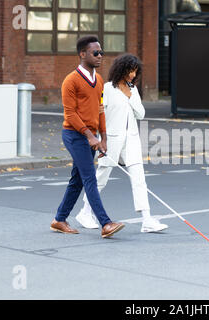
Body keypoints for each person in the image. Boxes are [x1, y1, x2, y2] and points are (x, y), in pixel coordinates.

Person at [75, 53, 168, 233]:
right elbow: (99, 114)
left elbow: (141, 114)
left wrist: (131, 95)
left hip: (131, 139)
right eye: (130, 71)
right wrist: (99, 139)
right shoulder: (108, 88)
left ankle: (147, 219)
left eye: (135, 72)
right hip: (111, 139)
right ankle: (85, 212)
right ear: (121, 70)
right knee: (102, 176)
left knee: (139, 178)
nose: (133, 75)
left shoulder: (133, 90)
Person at [50, 36, 124, 238]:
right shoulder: (70, 80)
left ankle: (59, 219)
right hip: (74, 135)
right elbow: (70, 114)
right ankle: (105, 223)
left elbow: (100, 110)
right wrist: (90, 136)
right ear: (83, 54)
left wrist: (104, 138)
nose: (100, 56)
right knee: (89, 177)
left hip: (90, 135)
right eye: (96, 53)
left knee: (78, 180)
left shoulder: (99, 80)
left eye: (101, 52)